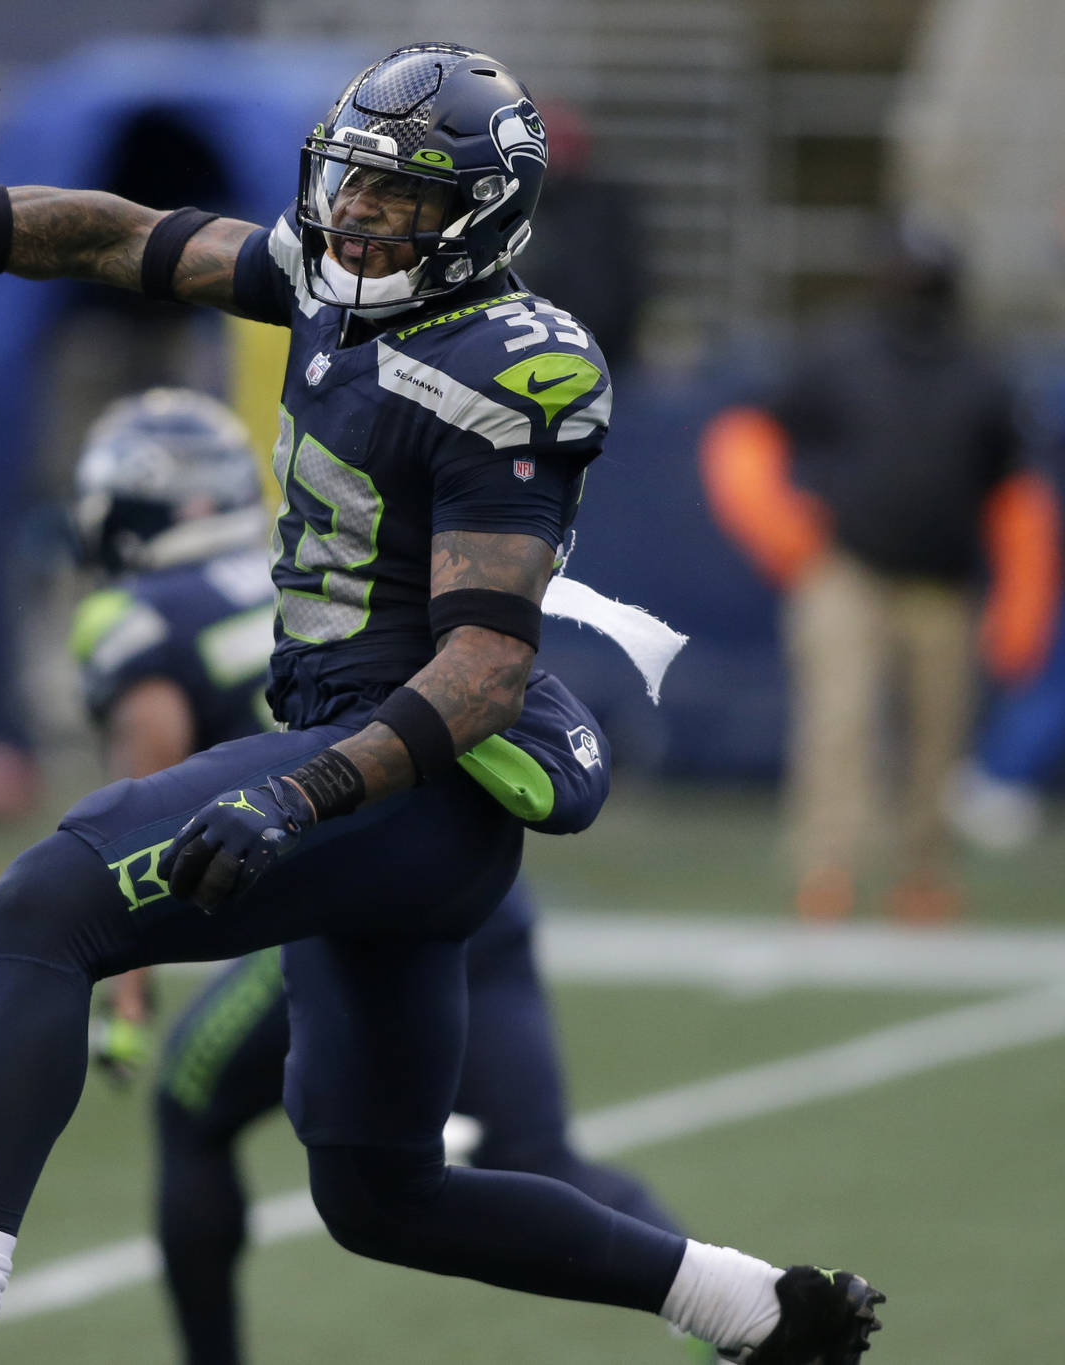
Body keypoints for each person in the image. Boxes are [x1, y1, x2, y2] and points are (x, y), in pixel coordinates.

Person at [0, 43, 882, 1365]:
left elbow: (484, 669)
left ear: (481, 217)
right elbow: (118, 238)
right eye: (352, 183)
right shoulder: (329, 285)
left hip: (411, 783)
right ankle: (760, 1310)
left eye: (399, 198)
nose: (357, 216)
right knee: (380, 1193)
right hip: (378, 793)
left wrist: (302, 788)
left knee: (43, 906)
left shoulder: (513, 367)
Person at [65, 389, 686, 1365]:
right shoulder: (307, 566)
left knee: (192, 1106)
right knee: (536, 1158)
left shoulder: (134, 614)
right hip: (475, 875)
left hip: (348, 885)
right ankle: (735, 1318)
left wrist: (123, 995)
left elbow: (143, 782)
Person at [699, 222, 1057, 921]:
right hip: (848, 571)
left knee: (937, 737)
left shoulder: (982, 371)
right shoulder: (841, 352)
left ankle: (922, 875)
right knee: (840, 723)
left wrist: (1022, 604)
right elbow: (750, 439)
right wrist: (786, 535)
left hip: (943, 583)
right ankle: (827, 869)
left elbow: (1015, 497)